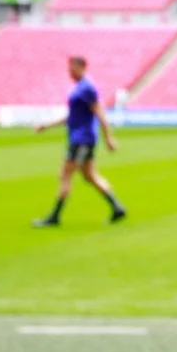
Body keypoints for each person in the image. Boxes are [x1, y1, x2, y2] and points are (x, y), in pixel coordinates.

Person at [32, 55, 125, 227]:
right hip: (80, 137)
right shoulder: (80, 88)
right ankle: (117, 207)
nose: (69, 72)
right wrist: (46, 125)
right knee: (89, 176)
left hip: (82, 139)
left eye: (71, 69)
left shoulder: (87, 88)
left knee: (65, 174)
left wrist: (109, 138)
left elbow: (100, 113)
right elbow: (72, 117)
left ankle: (55, 216)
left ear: (81, 67)